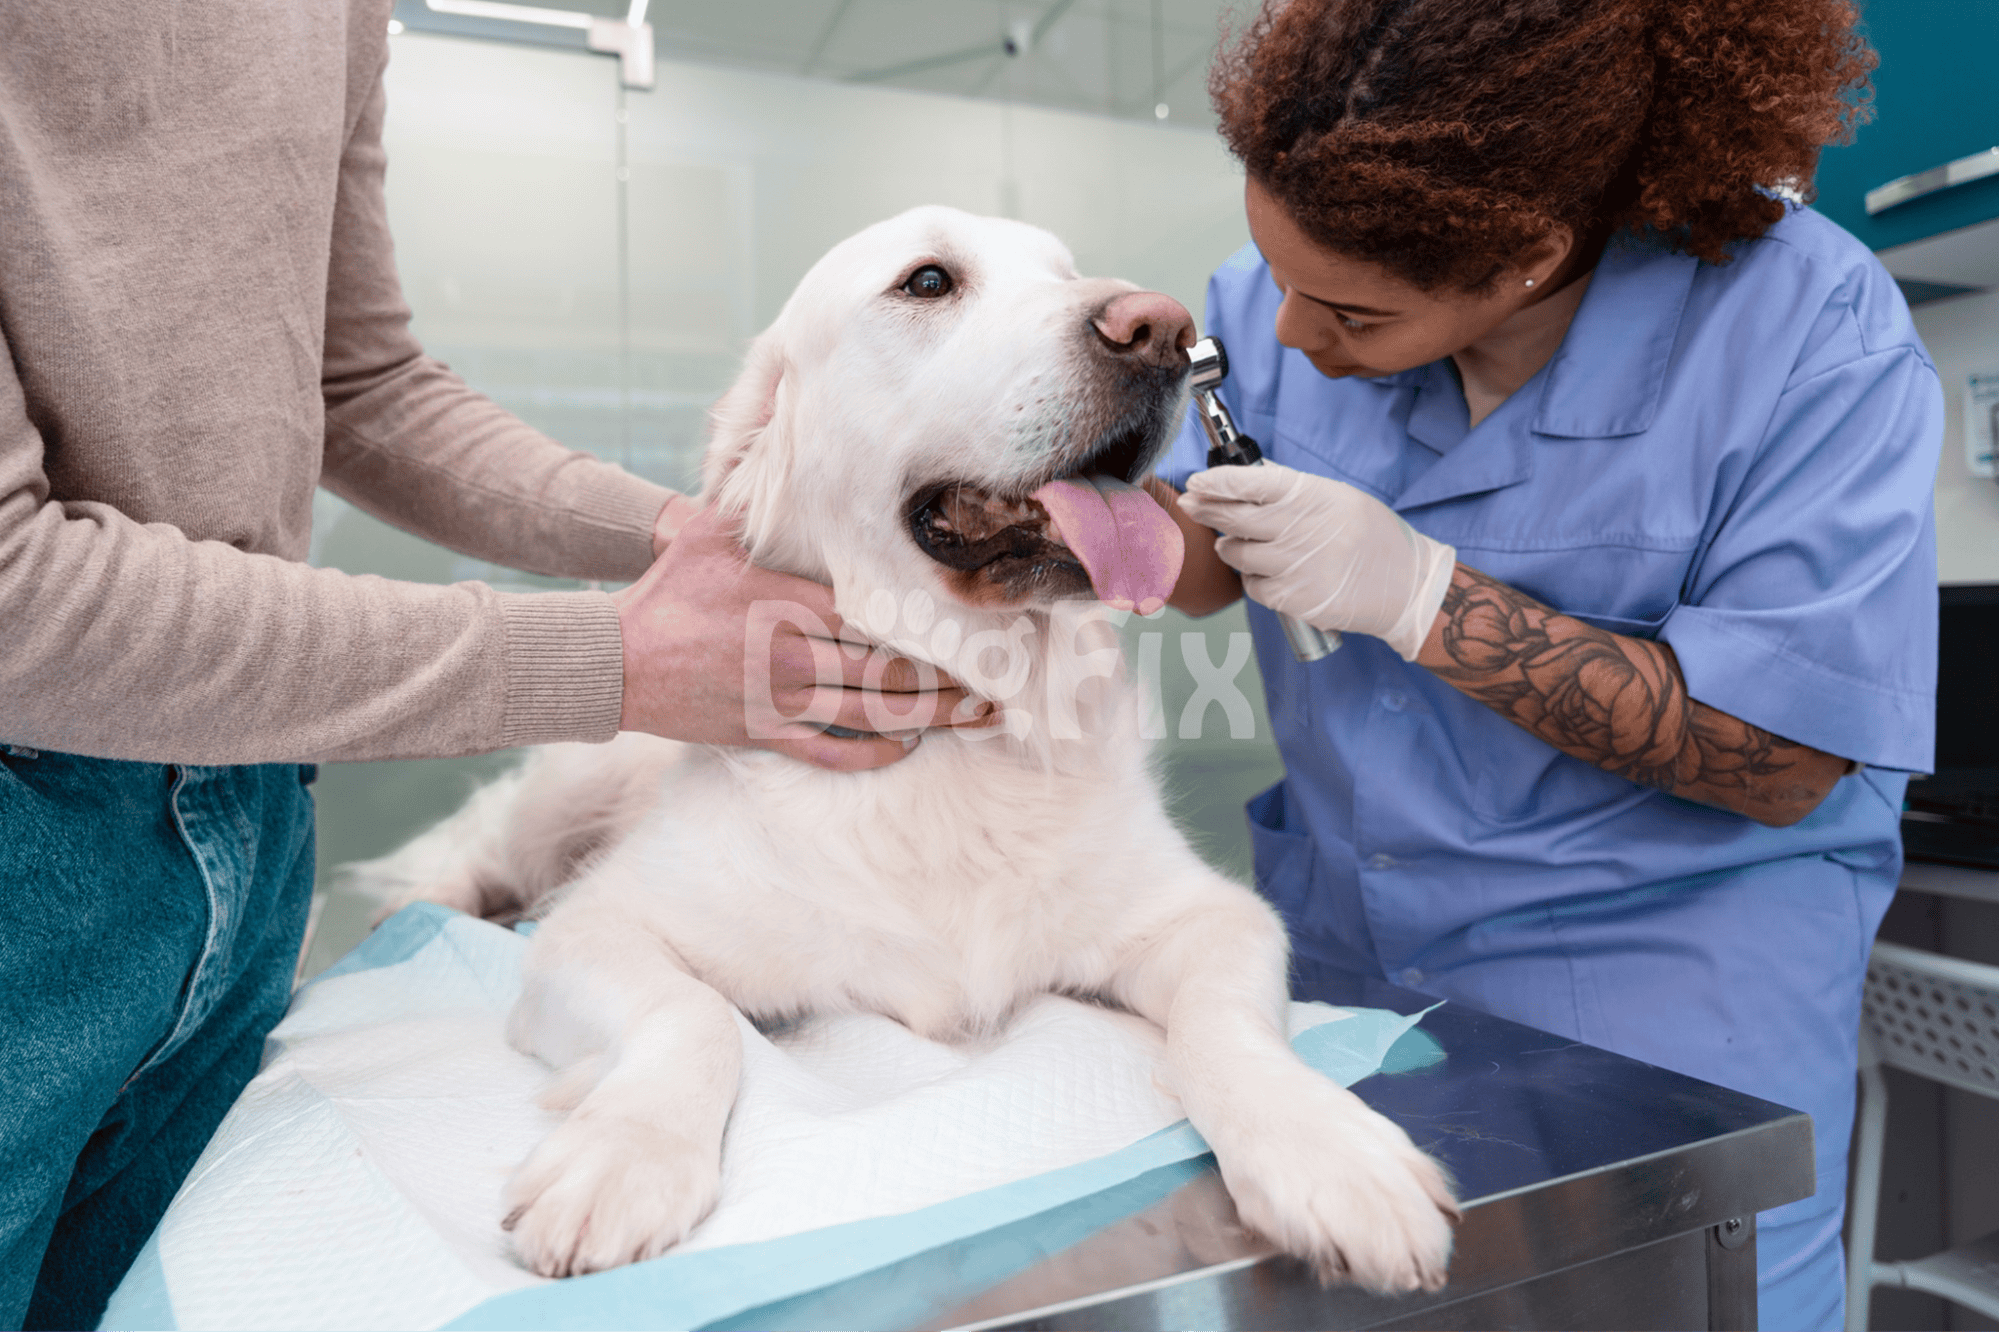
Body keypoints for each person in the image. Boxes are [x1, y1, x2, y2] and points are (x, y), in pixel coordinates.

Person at [0, 3, 985, 1327]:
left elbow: (362, 383)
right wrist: (616, 663)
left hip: (243, 811)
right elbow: (16, 600)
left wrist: (685, 535)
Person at [1150, 1, 1938, 1327]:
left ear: (1525, 256)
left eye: (1345, 310)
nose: (1287, 333)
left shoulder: (1806, 329)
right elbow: (1204, 549)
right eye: (1273, 276)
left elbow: (1783, 758)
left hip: (1665, 1000)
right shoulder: (1285, 289)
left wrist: (1419, 595)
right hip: (1351, 966)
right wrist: (1071, 524)